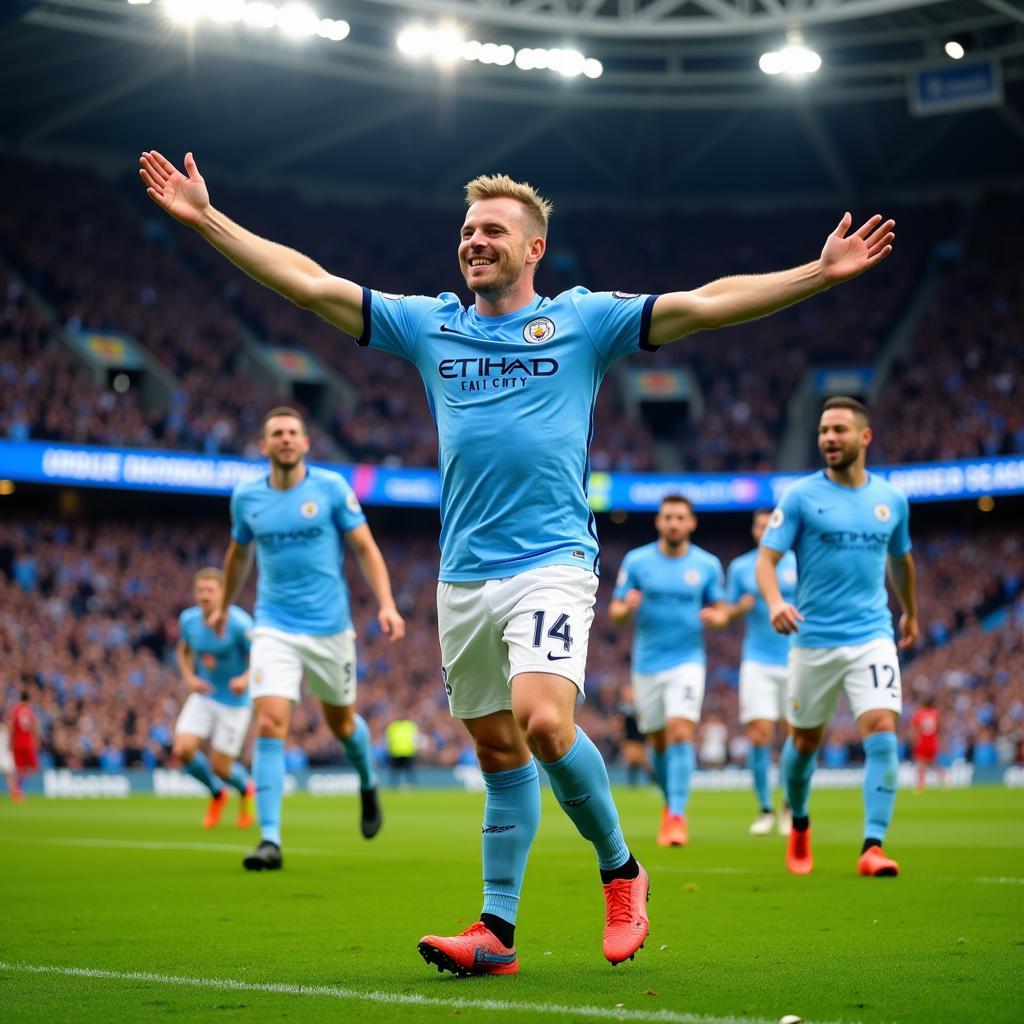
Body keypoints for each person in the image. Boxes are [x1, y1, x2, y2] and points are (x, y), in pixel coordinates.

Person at [139, 147, 895, 972]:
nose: (475, 240)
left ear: (534, 247)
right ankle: (496, 934)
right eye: (467, 230)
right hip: (461, 574)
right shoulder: (431, 325)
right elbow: (311, 285)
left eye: (493, 229)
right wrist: (208, 219)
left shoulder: (583, 321)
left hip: (553, 559)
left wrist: (816, 276)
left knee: (542, 721)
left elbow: (707, 305)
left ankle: (621, 869)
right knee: (499, 754)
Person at [213, 406, 406, 871]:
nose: (284, 439)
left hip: (330, 629)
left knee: (341, 725)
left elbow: (364, 547)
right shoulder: (246, 498)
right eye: (275, 432)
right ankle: (270, 839)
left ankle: (366, 778)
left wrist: (386, 603)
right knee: (271, 721)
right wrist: (223, 603)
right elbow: (239, 556)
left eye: (292, 432)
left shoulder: (331, 489)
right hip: (273, 625)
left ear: (305, 443)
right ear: (263, 445)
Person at [756, 396, 918, 878]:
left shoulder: (892, 500)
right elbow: (767, 560)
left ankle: (872, 846)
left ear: (864, 437)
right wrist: (775, 602)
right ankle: (800, 824)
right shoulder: (802, 496)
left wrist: (910, 611)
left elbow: (901, 560)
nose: (829, 437)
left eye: (839, 430)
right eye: (824, 430)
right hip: (813, 639)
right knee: (804, 743)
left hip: (872, 635)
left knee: (882, 731)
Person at [609, 495, 726, 847]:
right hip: (646, 665)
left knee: (679, 731)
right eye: (668, 517)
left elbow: (721, 609)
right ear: (659, 522)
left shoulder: (706, 565)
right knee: (657, 740)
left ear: (691, 523)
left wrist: (716, 617)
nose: (673, 523)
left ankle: (676, 815)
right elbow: (615, 611)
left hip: (688, 661)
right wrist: (626, 607)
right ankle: (669, 800)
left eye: (680, 517)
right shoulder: (638, 561)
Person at [710, 509, 799, 835]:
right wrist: (737, 610)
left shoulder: (797, 563)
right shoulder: (742, 568)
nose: (765, 531)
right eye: (760, 525)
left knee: (796, 735)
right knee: (759, 735)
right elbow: (726, 612)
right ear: (753, 529)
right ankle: (765, 809)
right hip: (757, 660)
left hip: (796, 660)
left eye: (770, 525)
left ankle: (792, 806)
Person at [172, 567, 256, 829]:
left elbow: (261, 655)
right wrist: (189, 677)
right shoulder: (189, 620)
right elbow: (183, 650)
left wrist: (245, 679)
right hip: (205, 694)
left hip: (234, 702)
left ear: (223, 593)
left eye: (210, 590)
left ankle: (245, 789)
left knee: (222, 767)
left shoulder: (240, 623)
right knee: (182, 749)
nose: (204, 595)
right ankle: (217, 793)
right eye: (200, 590)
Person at [909, 695, 943, 792]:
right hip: (932, 741)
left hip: (922, 741)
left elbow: (914, 728)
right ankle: (943, 779)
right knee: (932, 762)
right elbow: (939, 727)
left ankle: (920, 786)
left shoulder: (919, 713)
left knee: (921, 764)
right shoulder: (935, 713)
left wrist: (913, 740)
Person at [10, 691, 39, 796]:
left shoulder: (15, 710)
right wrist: (36, 739)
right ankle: (18, 787)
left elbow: (11, 726)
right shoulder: (29, 711)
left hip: (17, 741)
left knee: (19, 767)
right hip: (27, 741)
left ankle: (16, 788)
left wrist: (10, 741)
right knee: (30, 768)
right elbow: (34, 726)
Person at [386, 718, 419, 789]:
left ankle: (393, 787)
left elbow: (388, 740)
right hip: (407, 752)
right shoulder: (410, 726)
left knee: (395, 771)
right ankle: (410, 785)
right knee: (408, 771)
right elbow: (415, 739)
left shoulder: (393, 726)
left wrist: (389, 749)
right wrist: (415, 749)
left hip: (396, 752)